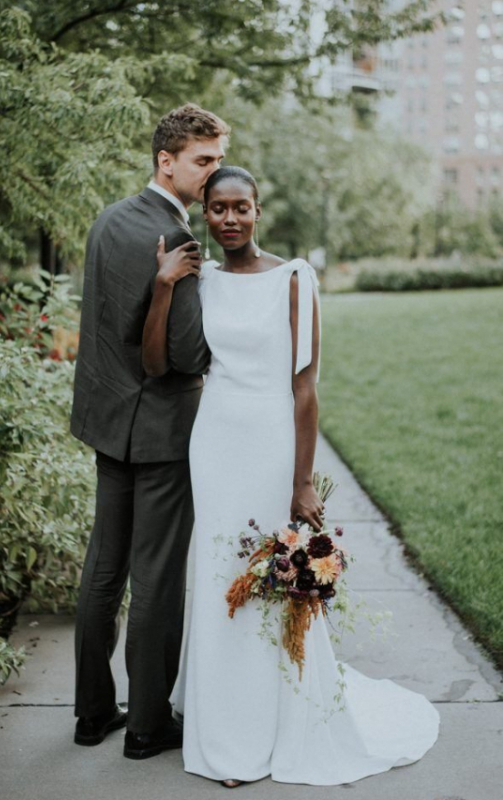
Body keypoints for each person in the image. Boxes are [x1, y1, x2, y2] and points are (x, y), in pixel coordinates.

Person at [142, 166, 440, 787]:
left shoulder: (294, 277)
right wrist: (164, 286)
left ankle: (269, 727)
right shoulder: (202, 279)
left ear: (257, 210)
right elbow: (159, 362)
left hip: (272, 442)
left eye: (241, 208)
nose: (229, 219)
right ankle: (222, 733)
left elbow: (305, 389)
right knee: (221, 577)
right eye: (218, 208)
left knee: (271, 581)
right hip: (215, 441)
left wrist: (303, 481)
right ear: (204, 212)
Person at [70, 104, 230, 759]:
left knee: (104, 573)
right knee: (157, 579)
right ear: (167, 161)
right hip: (161, 432)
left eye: (219, 159)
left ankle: (91, 715)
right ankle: (146, 727)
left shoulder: (110, 219)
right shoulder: (176, 239)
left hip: (108, 424)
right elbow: (188, 354)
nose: (214, 173)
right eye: (204, 160)